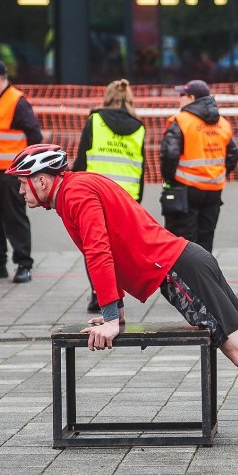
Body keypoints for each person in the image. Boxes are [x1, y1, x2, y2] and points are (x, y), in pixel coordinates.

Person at [7, 144, 238, 442]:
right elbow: (107, 250)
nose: (20, 190)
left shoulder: (75, 193)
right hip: (187, 261)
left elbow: (99, 251)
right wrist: (112, 310)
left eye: (23, 183)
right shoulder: (77, 189)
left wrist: (112, 317)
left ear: (42, 180)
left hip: (176, 269)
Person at [72, 79, 146, 313]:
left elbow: (81, 160)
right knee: (116, 248)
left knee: (94, 246)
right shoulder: (139, 126)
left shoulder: (95, 121)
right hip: (126, 196)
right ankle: (116, 295)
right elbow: (140, 166)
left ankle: (100, 293)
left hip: (95, 194)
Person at [0, 59, 43, 283]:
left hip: (11, 173)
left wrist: (27, 170)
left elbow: (35, 136)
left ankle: (24, 264)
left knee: (14, 217)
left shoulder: (17, 101)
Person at [159, 79, 238, 252]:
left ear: (191, 98)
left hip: (185, 188)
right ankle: (205, 277)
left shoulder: (181, 121)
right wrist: (218, 174)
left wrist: (169, 179)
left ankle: (184, 278)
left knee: (183, 242)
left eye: (182, 95)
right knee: (206, 239)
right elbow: (233, 154)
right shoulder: (222, 123)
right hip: (214, 190)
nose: (179, 99)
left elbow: (169, 154)